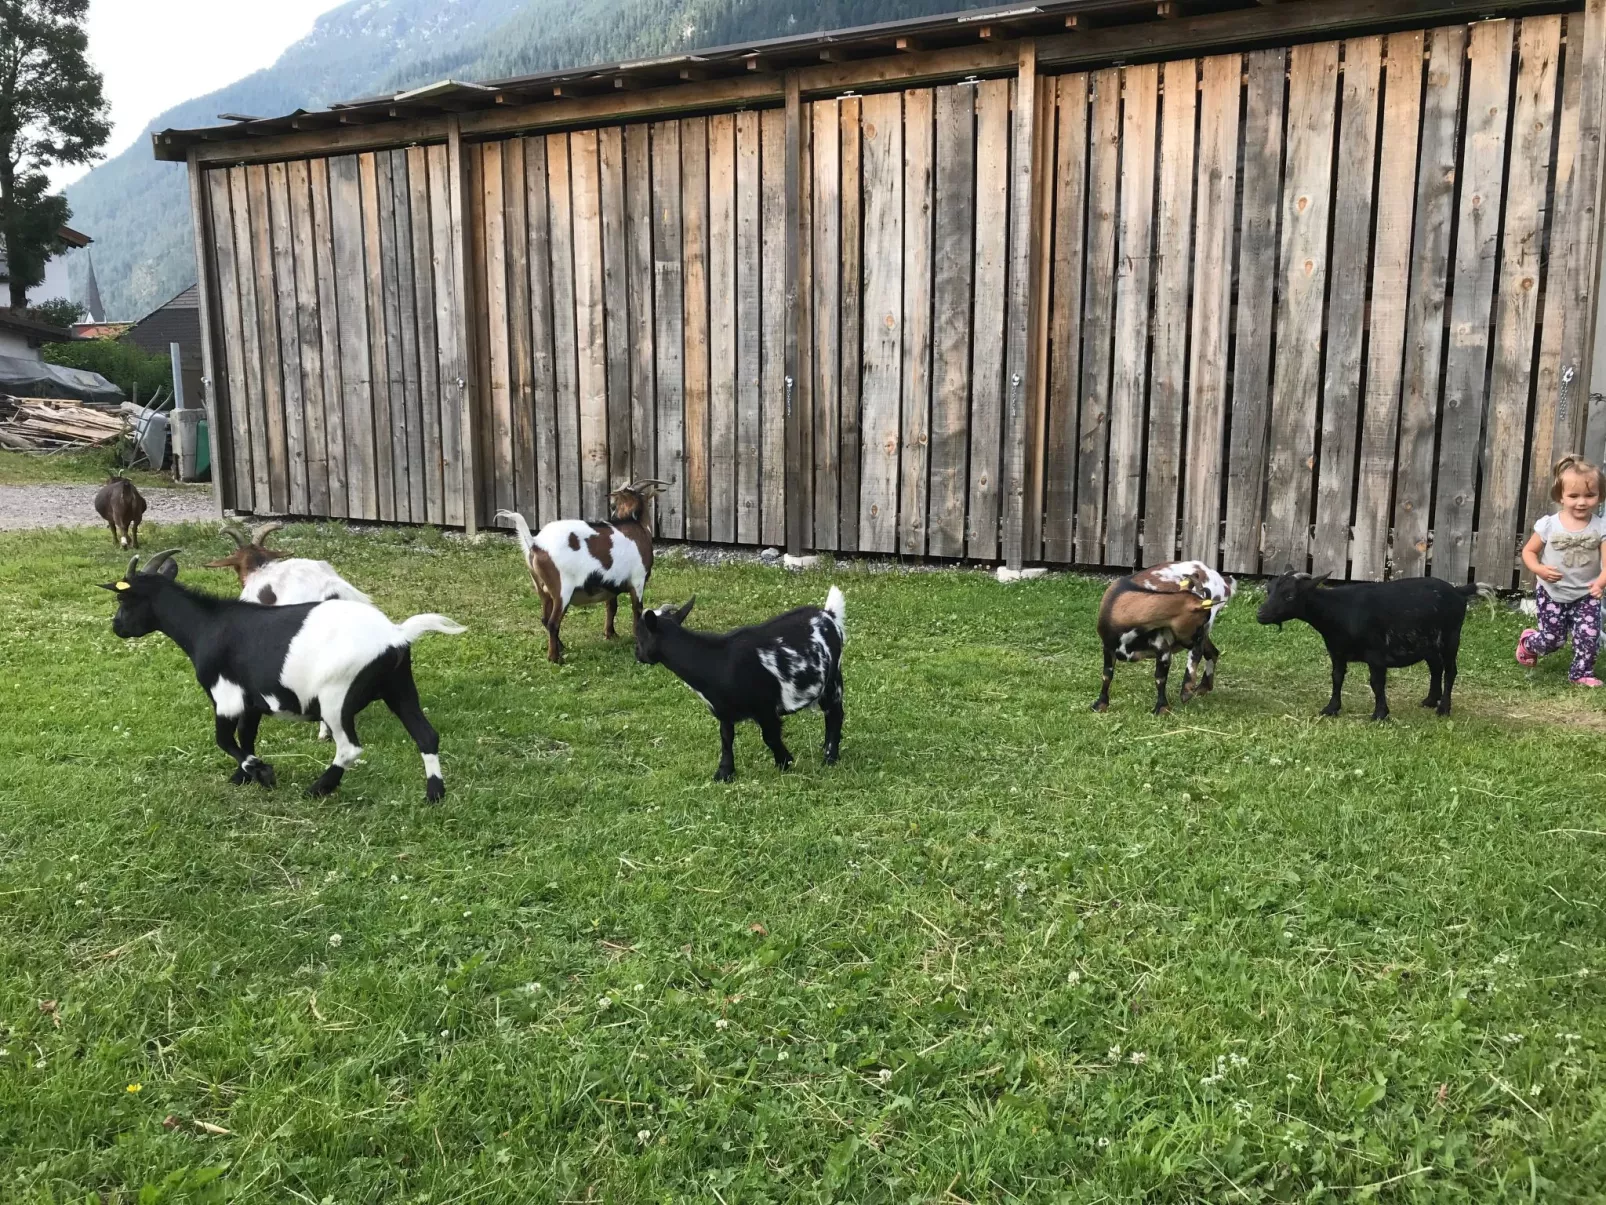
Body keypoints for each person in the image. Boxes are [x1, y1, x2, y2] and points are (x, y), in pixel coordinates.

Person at [1516, 455, 1606, 686]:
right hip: (1552, 592)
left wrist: (1600, 583)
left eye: (1590, 495)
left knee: (1589, 636)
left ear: (1600, 496)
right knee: (1552, 640)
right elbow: (1528, 552)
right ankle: (1528, 642)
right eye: (1573, 496)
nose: (1582, 502)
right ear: (1560, 496)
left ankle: (1581, 673)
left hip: (1586, 594)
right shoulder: (1549, 524)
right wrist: (1540, 570)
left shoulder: (1600, 527)